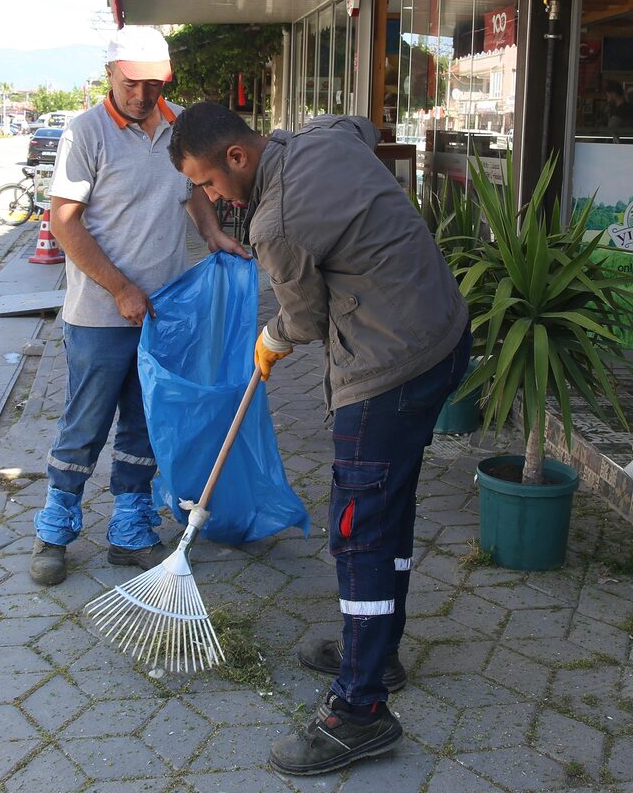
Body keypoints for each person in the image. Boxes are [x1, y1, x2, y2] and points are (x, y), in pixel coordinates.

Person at [167, 103, 471, 775]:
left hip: (388, 365)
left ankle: (359, 712)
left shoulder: (277, 224)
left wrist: (269, 338)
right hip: (445, 334)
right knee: (389, 509)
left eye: (211, 184)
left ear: (239, 157)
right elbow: (360, 122)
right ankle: (378, 651)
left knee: (360, 528)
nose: (213, 199)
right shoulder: (323, 138)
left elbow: (302, 318)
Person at [29, 26, 250, 587]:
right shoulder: (87, 133)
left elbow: (194, 189)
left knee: (146, 422)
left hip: (163, 311)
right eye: (132, 82)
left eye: (154, 83)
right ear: (110, 73)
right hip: (101, 316)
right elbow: (63, 220)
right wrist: (121, 288)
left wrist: (215, 235)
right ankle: (56, 528)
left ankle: (129, 529)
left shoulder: (178, 127)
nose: (142, 94)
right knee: (86, 421)